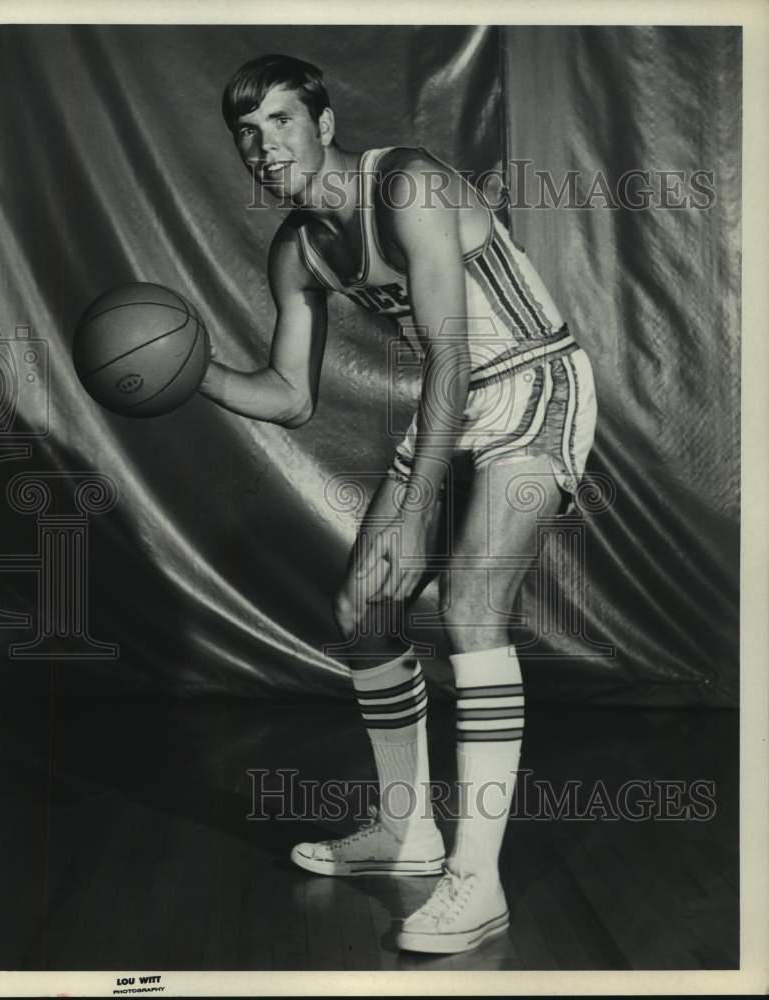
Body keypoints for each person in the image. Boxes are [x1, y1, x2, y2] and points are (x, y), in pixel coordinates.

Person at [199, 53, 597, 955]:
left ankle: (477, 882)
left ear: (326, 125)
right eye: (248, 136)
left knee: (469, 609)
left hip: (534, 382)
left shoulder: (408, 186)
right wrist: (195, 373)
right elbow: (290, 395)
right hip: (450, 406)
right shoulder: (296, 251)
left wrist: (417, 517)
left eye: (283, 123)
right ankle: (404, 828)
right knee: (363, 611)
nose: (265, 149)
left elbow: (452, 358)